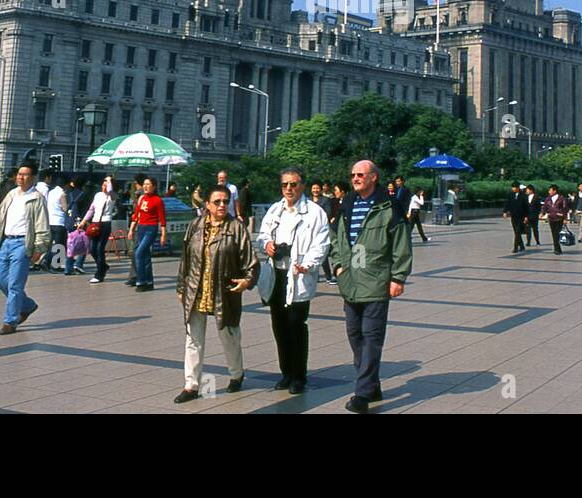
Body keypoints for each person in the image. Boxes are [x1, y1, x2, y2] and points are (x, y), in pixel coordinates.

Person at [332, 160, 412, 413]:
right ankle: (372, 384)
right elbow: (337, 239)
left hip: (376, 283)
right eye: (353, 174)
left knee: (371, 338)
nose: (355, 178)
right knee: (355, 336)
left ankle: (362, 394)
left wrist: (398, 278)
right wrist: (337, 266)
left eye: (360, 175)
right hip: (350, 283)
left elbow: (401, 243)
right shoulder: (347, 204)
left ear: (373, 177)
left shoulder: (388, 206)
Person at [174, 185, 258, 403]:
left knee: (229, 336)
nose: (222, 205)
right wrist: (181, 286)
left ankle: (237, 374)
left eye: (225, 201)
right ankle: (191, 385)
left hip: (225, 291)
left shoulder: (236, 228)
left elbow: (250, 260)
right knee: (193, 339)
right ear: (208, 205)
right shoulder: (195, 226)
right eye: (217, 201)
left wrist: (247, 281)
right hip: (197, 290)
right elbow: (185, 259)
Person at [257, 167, 330, 393]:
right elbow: (262, 235)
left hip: (298, 274)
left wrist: (307, 264)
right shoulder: (275, 210)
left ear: (303, 186)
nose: (289, 188)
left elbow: (322, 244)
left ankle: (299, 375)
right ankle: (286, 373)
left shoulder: (315, 213)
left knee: (296, 325)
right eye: (285, 184)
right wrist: (267, 244)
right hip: (277, 273)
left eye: (293, 184)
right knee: (278, 325)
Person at [0, 162, 50, 335]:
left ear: (33, 177)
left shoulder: (37, 198)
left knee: (15, 285)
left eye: (25, 174)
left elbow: (42, 226)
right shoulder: (12, 194)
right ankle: (27, 305)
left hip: (22, 244)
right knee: (1, 283)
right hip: (6, 242)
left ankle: (10, 321)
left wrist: (39, 249)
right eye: (19, 174)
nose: (20, 177)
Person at [127, 176, 167, 291]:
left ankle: (141, 281)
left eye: (148, 184)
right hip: (141, 228)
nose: (145, 186)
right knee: (145, 256)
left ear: (154, 187)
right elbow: (136, 215)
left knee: (138, 253)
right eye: (144, 184)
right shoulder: (142, 199)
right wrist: (131, 229)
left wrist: (164, 234)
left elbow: (162, 219)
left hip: (151, 229)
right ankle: (149, 282)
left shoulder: (158, 200)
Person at [78, 178, 116, 283]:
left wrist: (109, 181)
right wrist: (84, 221)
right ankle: (103, 266)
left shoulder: (112, 196)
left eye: (106, 185)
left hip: (105, 223)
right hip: (95, 223)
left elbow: (111, 192)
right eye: (103, 185)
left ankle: (99, 274)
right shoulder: (98, 195)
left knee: (99, 248)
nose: (104, 187)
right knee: (92, 248)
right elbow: (91, 209)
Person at [40, 172, 69, 272]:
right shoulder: (62, 194)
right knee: (59, 245)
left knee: (53, 244)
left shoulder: (51, 192)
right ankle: (52, 264)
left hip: (50, 221)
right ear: (65, 185)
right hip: (59, 222)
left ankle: (48, 262)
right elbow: (65, 208)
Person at [542, 185, 569, 255]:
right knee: (553, 234)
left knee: (557, 233)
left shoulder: (562, 198)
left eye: (550, 190)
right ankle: (557, 248)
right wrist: (542, 213)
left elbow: (565, 208)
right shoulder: (548, 199)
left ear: (555, 191)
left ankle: (557, 249)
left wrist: (564, 216)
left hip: (559, 218)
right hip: (551, 218)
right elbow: (545, 207)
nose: (549, 192)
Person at [503, 182, 528, 253]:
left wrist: (526, 216)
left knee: (517, 232)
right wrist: (505, 211)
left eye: (514, 187)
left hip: (521, 216)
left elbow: (526, 207)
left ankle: (515, 247)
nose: (513, 189)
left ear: (517, 188)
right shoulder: (510, 195)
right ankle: (522, 246)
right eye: (512, 187)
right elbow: (507, 203)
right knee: (516, 232)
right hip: (513, 216)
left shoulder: (523, 195)